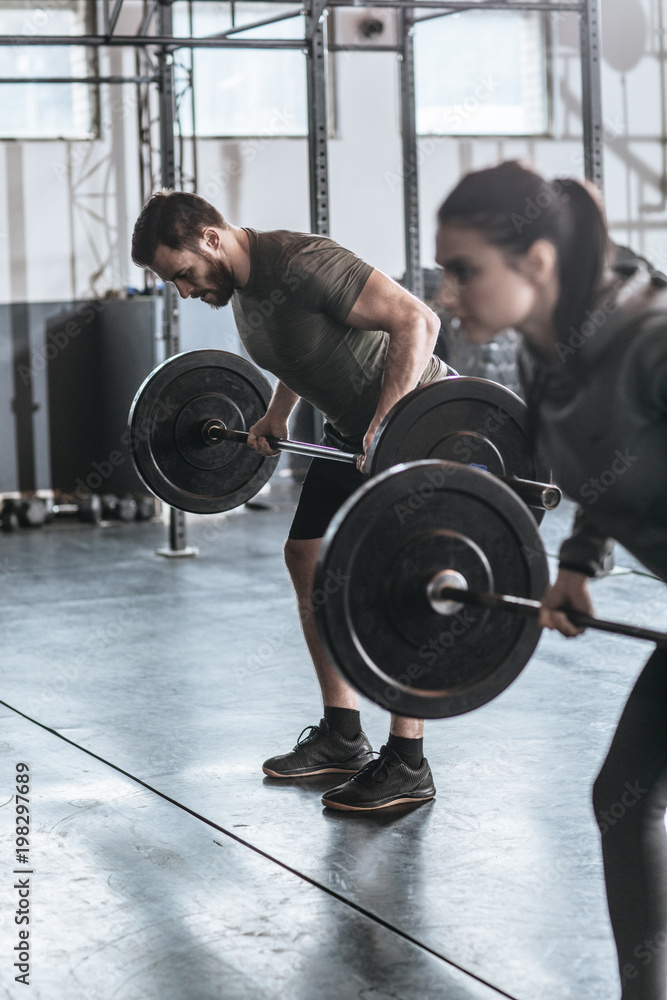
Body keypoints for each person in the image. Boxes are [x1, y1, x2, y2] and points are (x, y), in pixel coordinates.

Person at [131, 190, 453, 811]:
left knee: (399, 578)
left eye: (183, 276)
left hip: (417, 425)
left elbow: (419, 320)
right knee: (305, 553)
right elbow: (301, 352)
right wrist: (277, 413)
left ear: (211, 241)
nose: (184, 291)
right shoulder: (247, 291)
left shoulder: (304, 261)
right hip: (350, 431)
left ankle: (409, 760)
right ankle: (342, 733)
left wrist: (383, 429)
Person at [435, 159, 667, 1000]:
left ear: (535, 260)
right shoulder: (545, 355)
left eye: (465, 271)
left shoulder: (651, 339)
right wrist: (574, 565)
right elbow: (608, 467)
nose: (449, 296)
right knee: (622, 798)